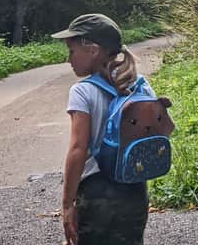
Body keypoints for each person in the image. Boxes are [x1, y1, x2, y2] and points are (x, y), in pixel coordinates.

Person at [52, 13, 151, 245]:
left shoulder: (82, 91)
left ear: (93, 50)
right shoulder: (137, 85)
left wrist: (67, 204)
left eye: (72, 50)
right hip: (135, 189)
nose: (69, 59)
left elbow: (78, 149)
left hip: (97, 194)